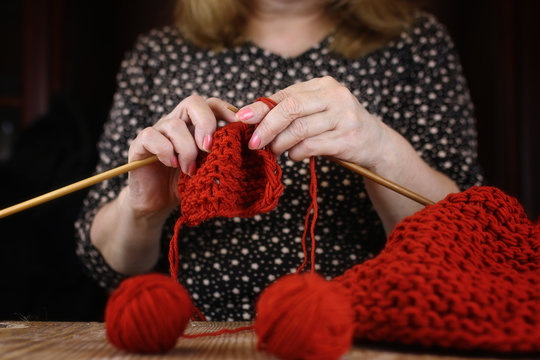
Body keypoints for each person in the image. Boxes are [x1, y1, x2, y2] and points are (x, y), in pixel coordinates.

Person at [75, 0, 483, 321]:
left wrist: (380, 148)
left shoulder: (415, 44)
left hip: (361, 332)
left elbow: (469, 241)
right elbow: (105, 266)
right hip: (185, 338)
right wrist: (141, 209)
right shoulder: (158, 54)